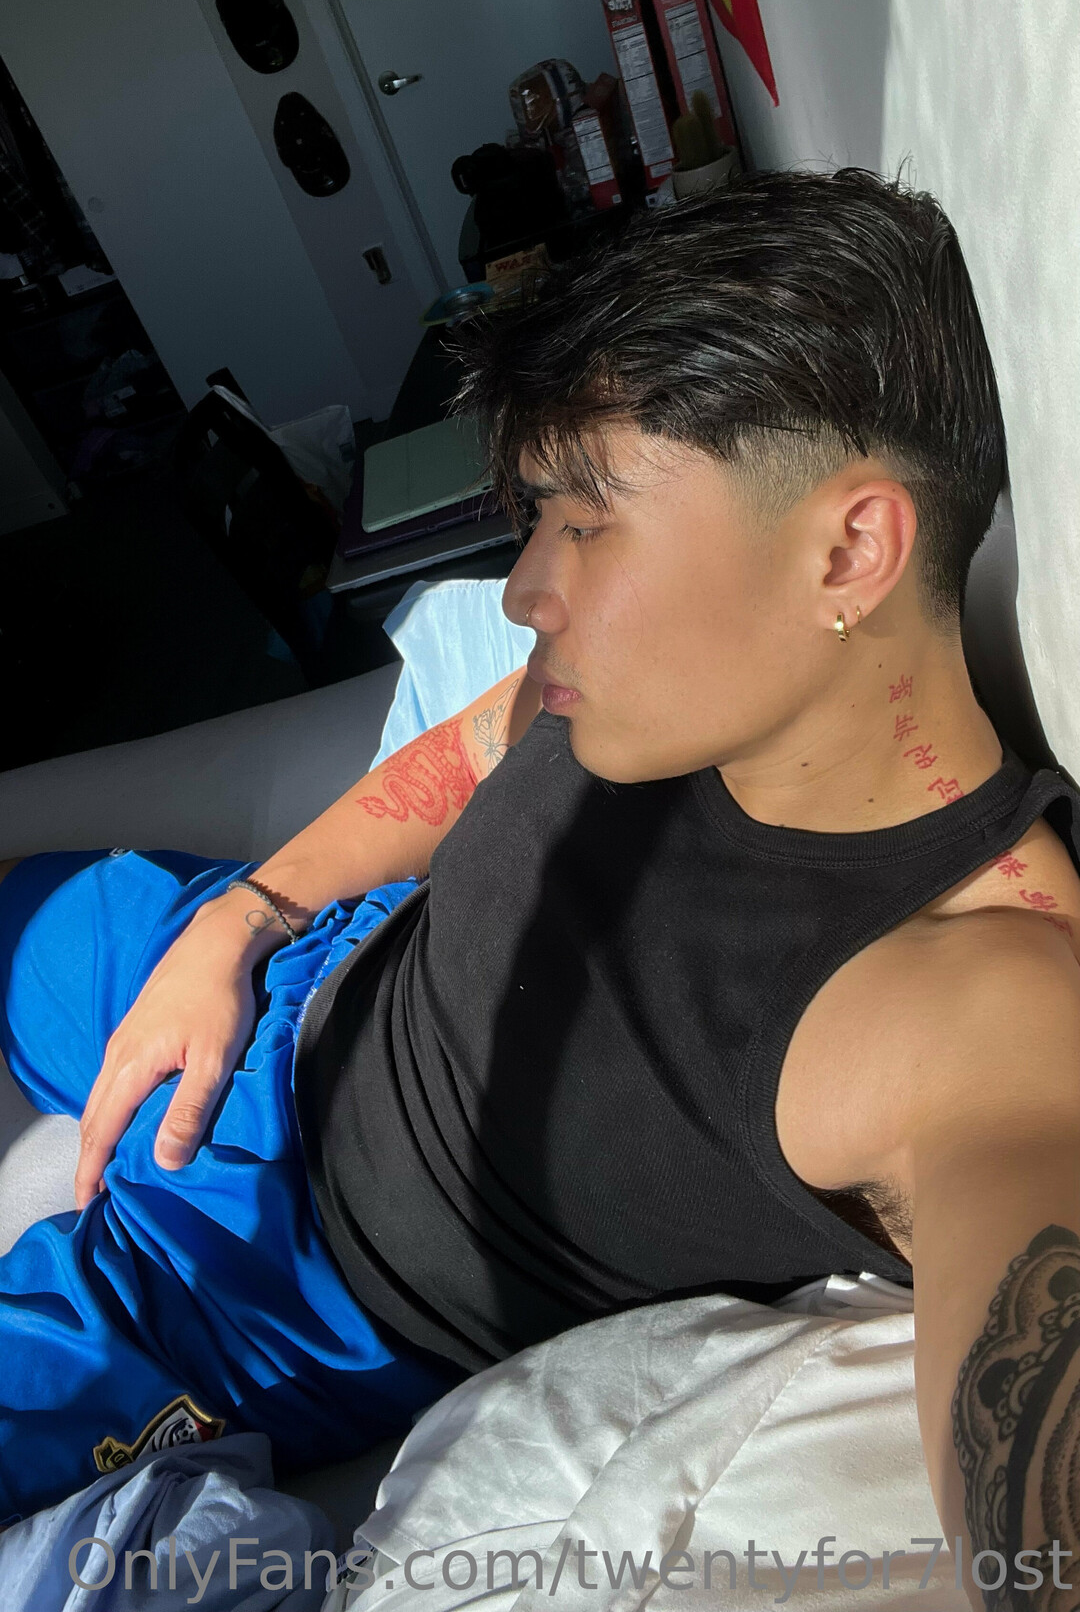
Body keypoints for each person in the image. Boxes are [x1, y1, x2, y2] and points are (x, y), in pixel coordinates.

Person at [1, 171, 1077, 1604]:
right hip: (278, 967)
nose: (521, 590)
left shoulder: (979, 1000)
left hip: (253, 1281)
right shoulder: (685, 682)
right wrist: (242, 922)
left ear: (850, 550)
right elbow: (473, 746)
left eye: (585, 523)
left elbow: (1037, 1481)